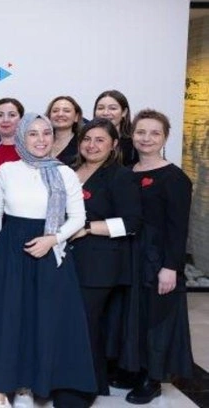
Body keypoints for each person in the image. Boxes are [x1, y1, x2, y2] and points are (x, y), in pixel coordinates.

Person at [0, 113, 95, 408]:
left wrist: (52, 240)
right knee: (6, 320)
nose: (40, 139)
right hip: (9, 253)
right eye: (33, 133)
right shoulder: (7, 170)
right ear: (22, 137)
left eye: (46, 133)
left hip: (49, 253)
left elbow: (77, 218)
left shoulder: (65, 173)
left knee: (39, 321)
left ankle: (26, 385)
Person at [68, 118, 142, 405]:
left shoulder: (120, 176)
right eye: (87, 139)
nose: (92, 145)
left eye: (100, 140)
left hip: (99, 265)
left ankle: (86, 388)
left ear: (113, 144)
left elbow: (132, 223)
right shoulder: (70, 171)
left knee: (86, 325)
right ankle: (77, 381)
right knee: (72, 324)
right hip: (67, 261)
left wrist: (87, 228)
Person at [124, 109, 193, 404]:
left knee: (157, 320)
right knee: (134, 316)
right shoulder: (127, 172)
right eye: (141, 132)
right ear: (132, 135)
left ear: (165, 137)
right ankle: (134, 369)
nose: (147, 138)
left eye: (155, 133)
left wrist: (170, 267)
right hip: (130, 257)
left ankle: (152, 379)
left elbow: (179, 228)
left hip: (157, 259)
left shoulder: (175, 178)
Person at [93, 90, 138, 166]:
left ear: (124, 112)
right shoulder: (85, 139)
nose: (105, 113)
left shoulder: (135, 142)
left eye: (113, 108)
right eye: (100, 108)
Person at [46, 96, 83, 165]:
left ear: (76, 117)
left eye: (66, 111)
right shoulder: (42, 142)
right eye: (55, 111)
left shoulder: (82, 145)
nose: (60, 114)